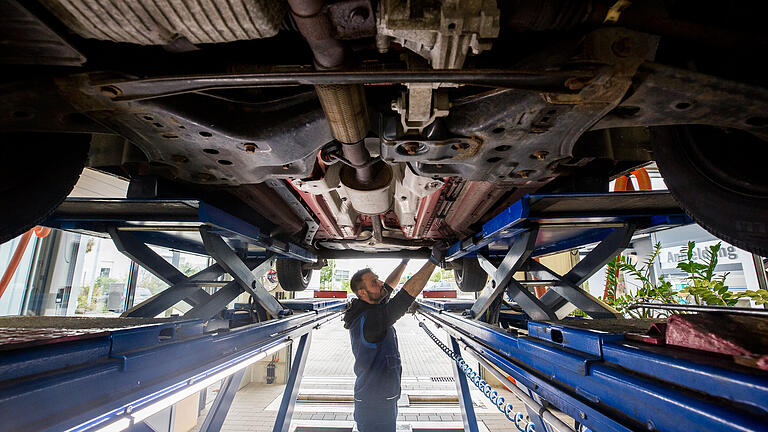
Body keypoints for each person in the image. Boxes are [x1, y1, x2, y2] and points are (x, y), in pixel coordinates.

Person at [343, 242, 448, 432]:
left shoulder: (367, 308)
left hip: (378, 398)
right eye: (374, 282)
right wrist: (433, 261)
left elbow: (388, 287)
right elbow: (405, 297)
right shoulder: (371, 320)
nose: (380, 283)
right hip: (375, 405)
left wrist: (405, 260)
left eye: (378, 279)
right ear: (362, 293)